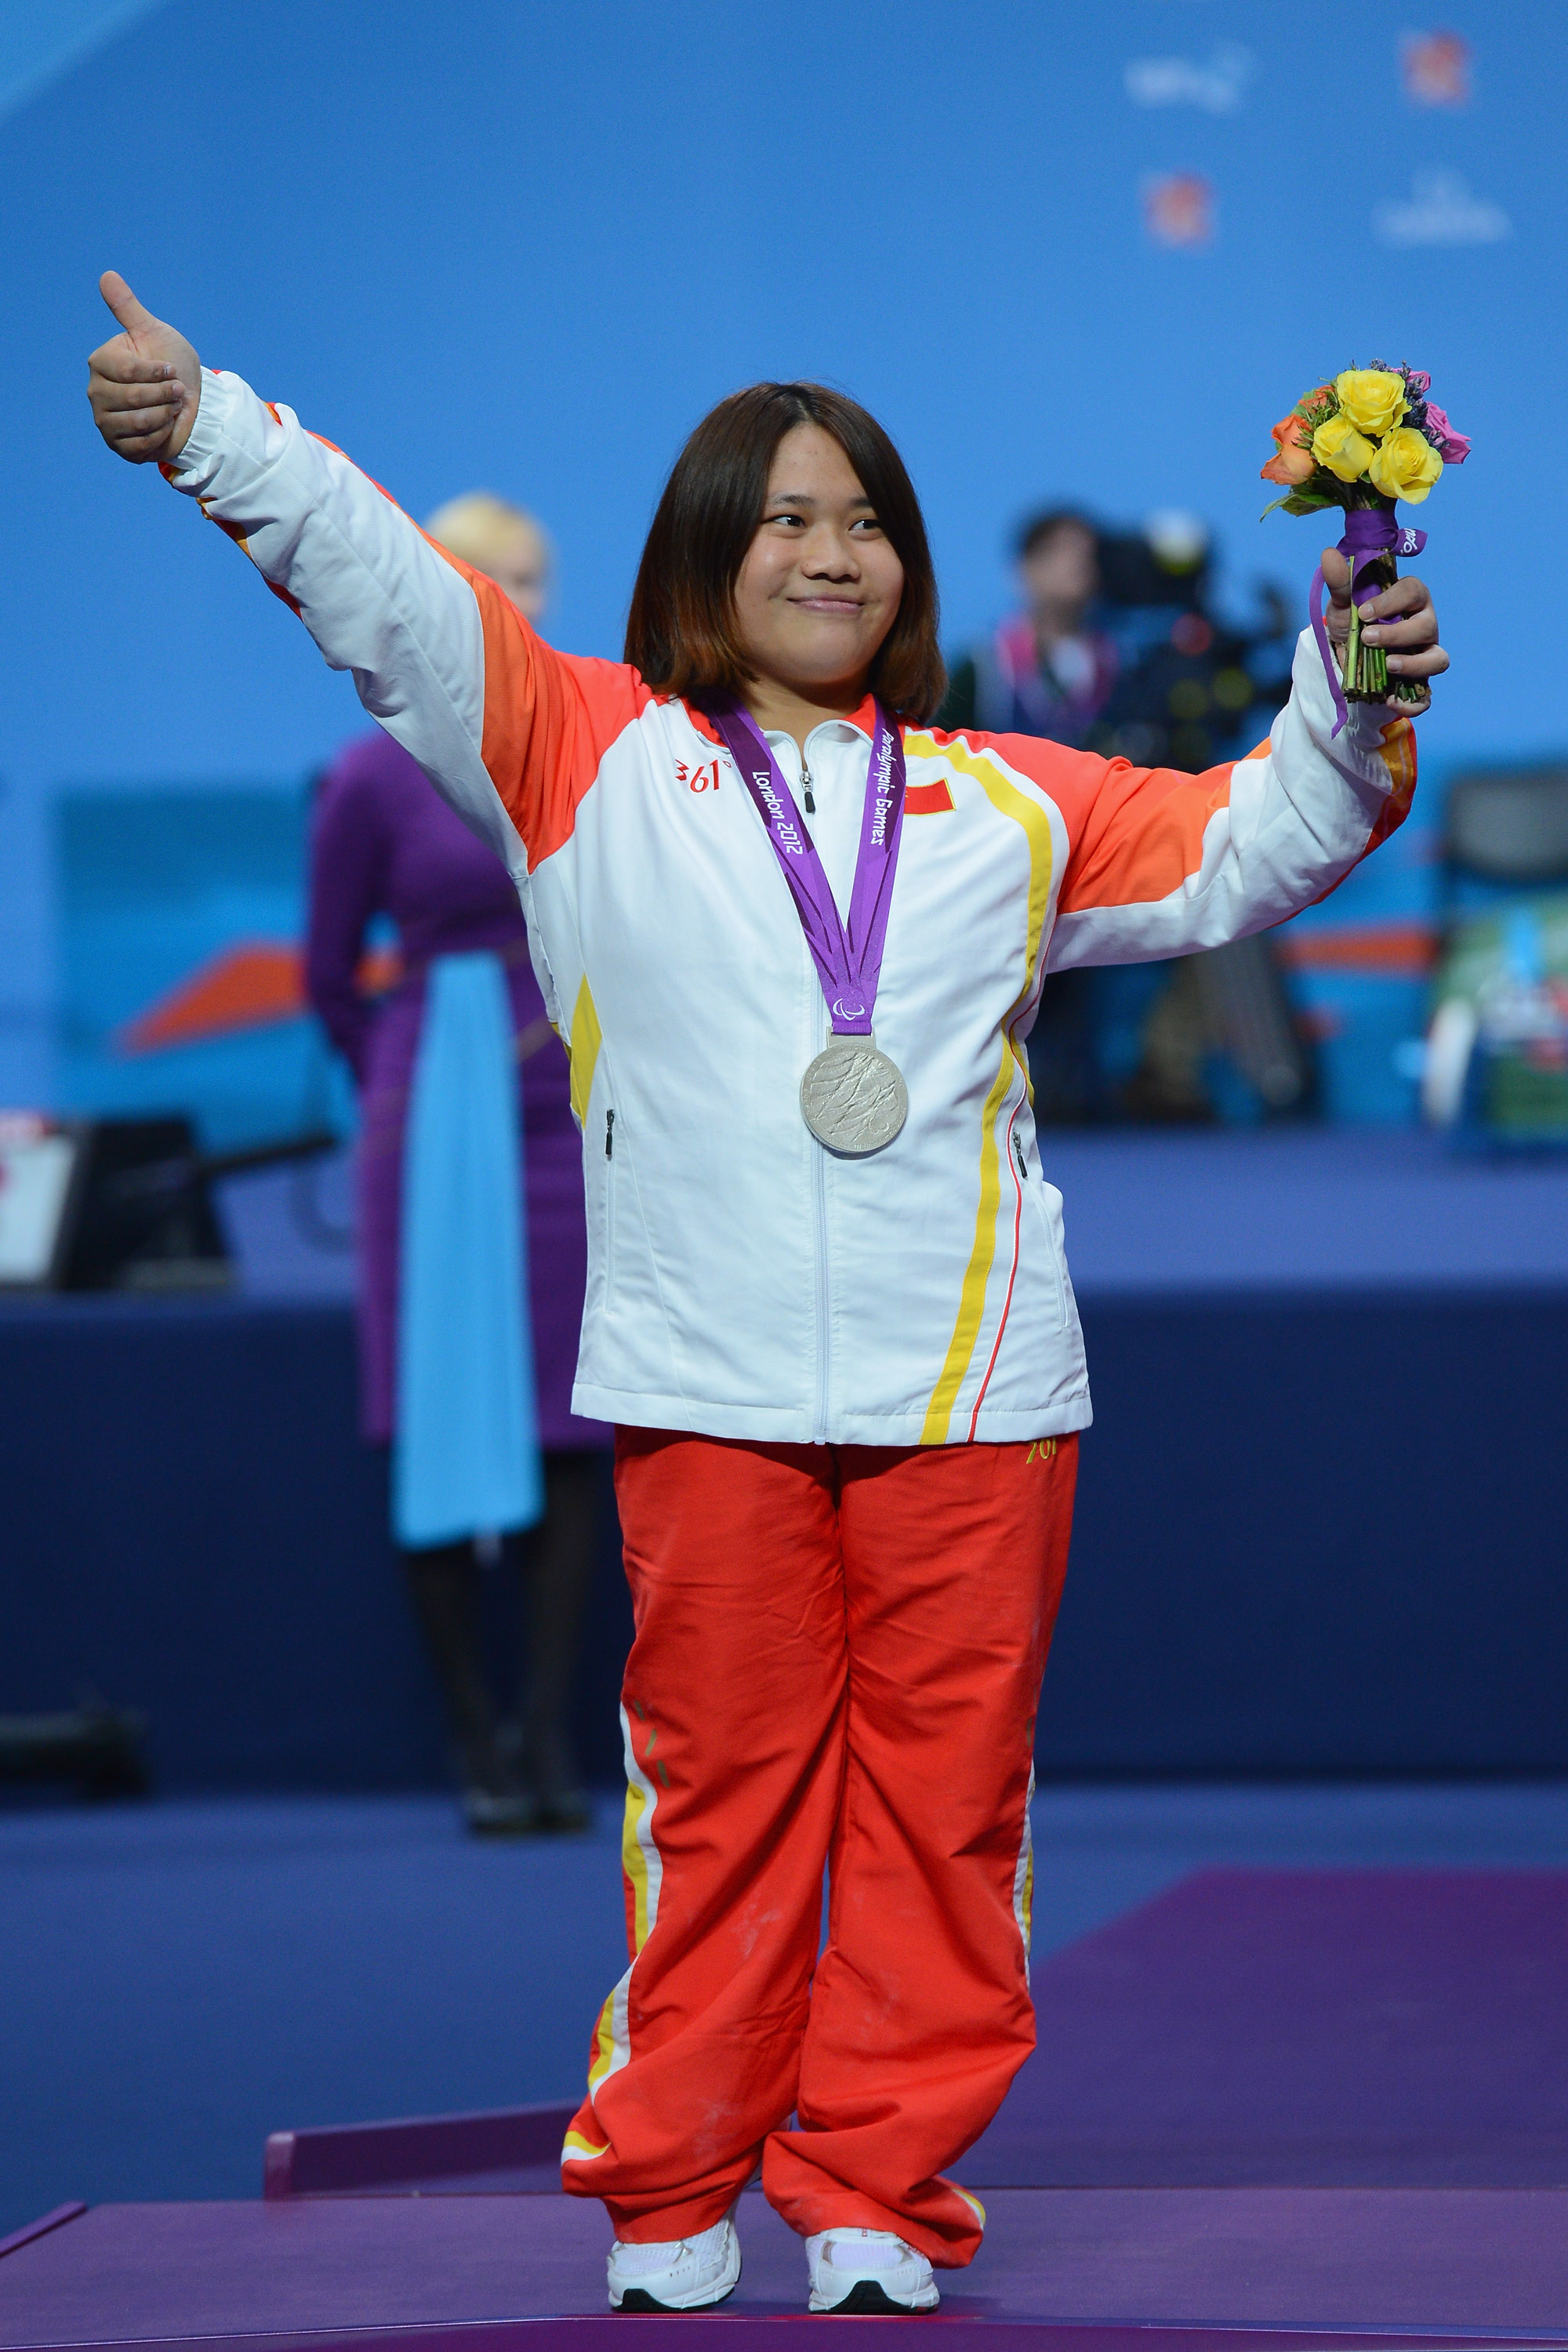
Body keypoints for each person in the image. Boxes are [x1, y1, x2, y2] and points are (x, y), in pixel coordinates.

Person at [87, 273, 1447, 2317]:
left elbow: (1257, 843)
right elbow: (381, 583)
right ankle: (669, 2181)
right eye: (787, 516)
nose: (832, 552)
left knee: (946, 1816)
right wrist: (212, 426)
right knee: (716, 1804)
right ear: (705, 554)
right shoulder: (576, 752)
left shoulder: (1012, 799)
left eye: (866, 518)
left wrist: (1348, 686)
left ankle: (878, 2182)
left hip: (976, 1398)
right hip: (705, 1384)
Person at [305, 491, 606, 1838]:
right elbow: (330, 976)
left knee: (573, 1427)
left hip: (574, 1112)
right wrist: (415, 1081)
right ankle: (472, 1737)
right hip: (434, 1118)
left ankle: (545, 1734)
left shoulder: (589, 742)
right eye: (496, 577)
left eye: (534, 577)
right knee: (439, 1420)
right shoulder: (372, 771)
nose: (521, 601)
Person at [938, 507, 1117, 746]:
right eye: (1057, 551)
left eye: (1088, 555)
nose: (1075, 563)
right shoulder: (983, 668)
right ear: (1025, 568)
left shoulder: (1117, 665)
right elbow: (939, 752)